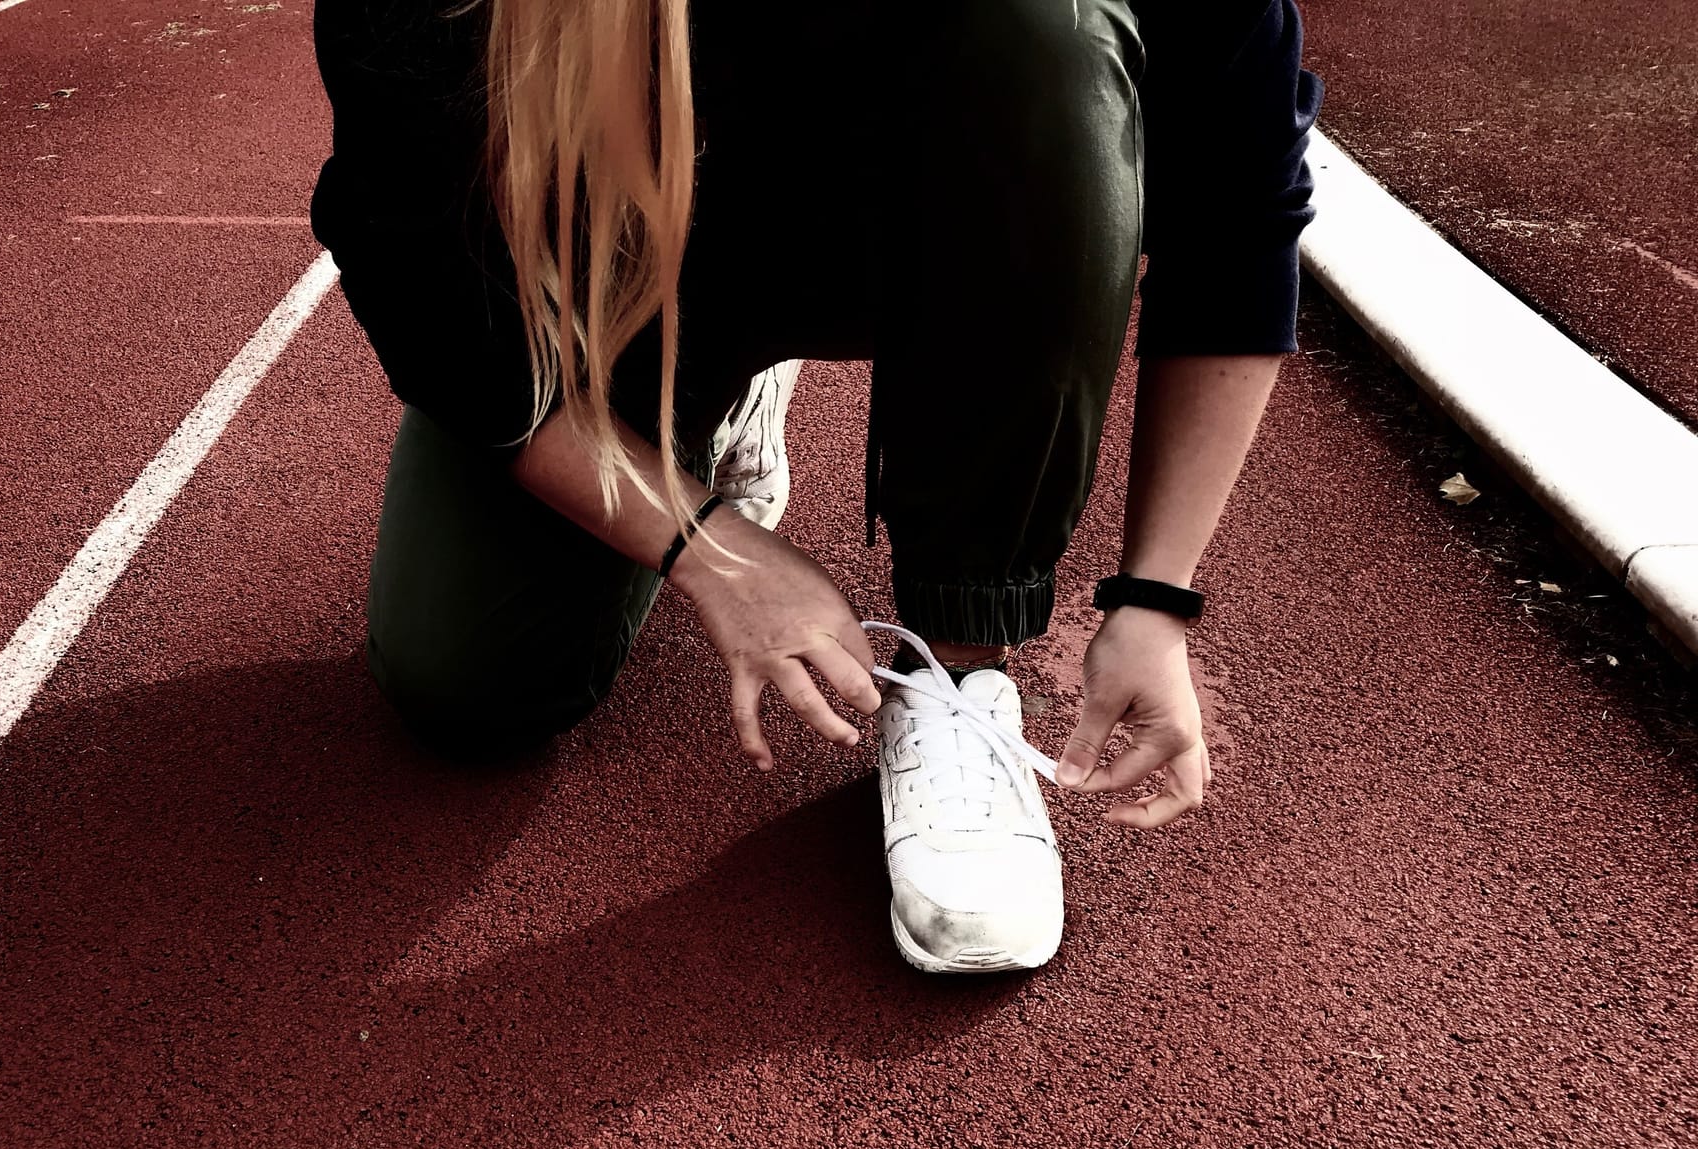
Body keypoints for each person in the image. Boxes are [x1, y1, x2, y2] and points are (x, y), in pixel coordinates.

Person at [310, 0, 1323, 973]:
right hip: (634, 233)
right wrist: (703, 542)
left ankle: (959, 672)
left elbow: (1238, 209)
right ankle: (699, 400)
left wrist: (1156, 598)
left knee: (1047, 30)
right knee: (468, 686)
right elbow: (419, 270)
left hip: (933, 211)